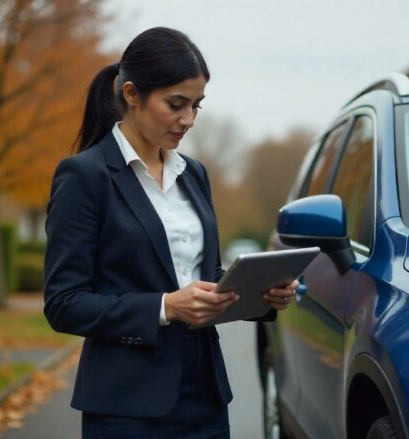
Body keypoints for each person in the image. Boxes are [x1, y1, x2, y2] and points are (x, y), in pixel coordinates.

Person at [43, 27, 298, 438]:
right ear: (131, 94)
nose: (189, 120)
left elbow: (203, 280)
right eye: (176, 104)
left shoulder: (193, 174)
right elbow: (64, 303)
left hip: (205, 396)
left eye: (197, 106)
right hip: (126, 408)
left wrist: (259, 295)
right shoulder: (83, 176)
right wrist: (165, 307)